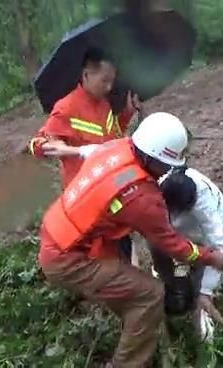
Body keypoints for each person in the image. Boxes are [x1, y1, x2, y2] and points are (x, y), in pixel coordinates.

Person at [38, 112, 223, 368]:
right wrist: (210, 256)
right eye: (167, 165)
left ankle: (144, 330)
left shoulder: (116, 148)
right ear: (154, 159)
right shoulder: (142, 198)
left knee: (134, 287)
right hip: (69, 257)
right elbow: (171, 244)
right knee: (150, 294)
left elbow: (92, 151)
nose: (167, 172)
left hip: (58, 231)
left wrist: (70, 150)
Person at [29, 47, 143, 260]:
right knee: (104, 259)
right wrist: (75, 151)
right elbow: (37, 144)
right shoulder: (66, 108)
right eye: (104, 81)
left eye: (112, 81)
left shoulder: (104, 103)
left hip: (110, 191)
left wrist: (128, 112)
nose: (109, 87)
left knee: (122, 248)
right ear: (86, 75)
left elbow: (112, 135)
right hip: (87, 200)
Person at [151, 166, 223, 342]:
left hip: (198, 234)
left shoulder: (207, 211)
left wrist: (206, 291)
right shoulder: (160, 182)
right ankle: (167, 278)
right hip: (170, 228)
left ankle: (203, 328)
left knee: (199, 284)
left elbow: (219, 253)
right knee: (158, 245)